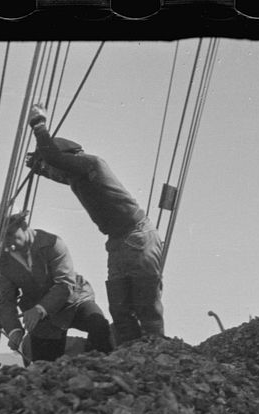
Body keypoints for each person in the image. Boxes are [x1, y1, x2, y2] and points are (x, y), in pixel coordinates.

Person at [24, 105, 164, 346]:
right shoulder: (79, 175)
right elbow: (58, 170)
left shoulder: (92, 165)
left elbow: (54, 159)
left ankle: (158, 357)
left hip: (137, 237)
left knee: (146, 309)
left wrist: (39, 126)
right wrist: (40, 169)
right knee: (120, 311)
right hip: (120, 241)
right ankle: (132, 358)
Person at [0, 208, 113, 364]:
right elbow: (4, 299)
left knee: (99, 325)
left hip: (74, 300)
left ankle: (100, 369)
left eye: (10, 234)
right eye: (2, 237)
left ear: (25, 226)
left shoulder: (52, 244)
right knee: (43, 367)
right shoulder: (2, 260)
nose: (8, 242)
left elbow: (64, 284)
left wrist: (40, 309)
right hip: (43, 318)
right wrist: (14, 330)